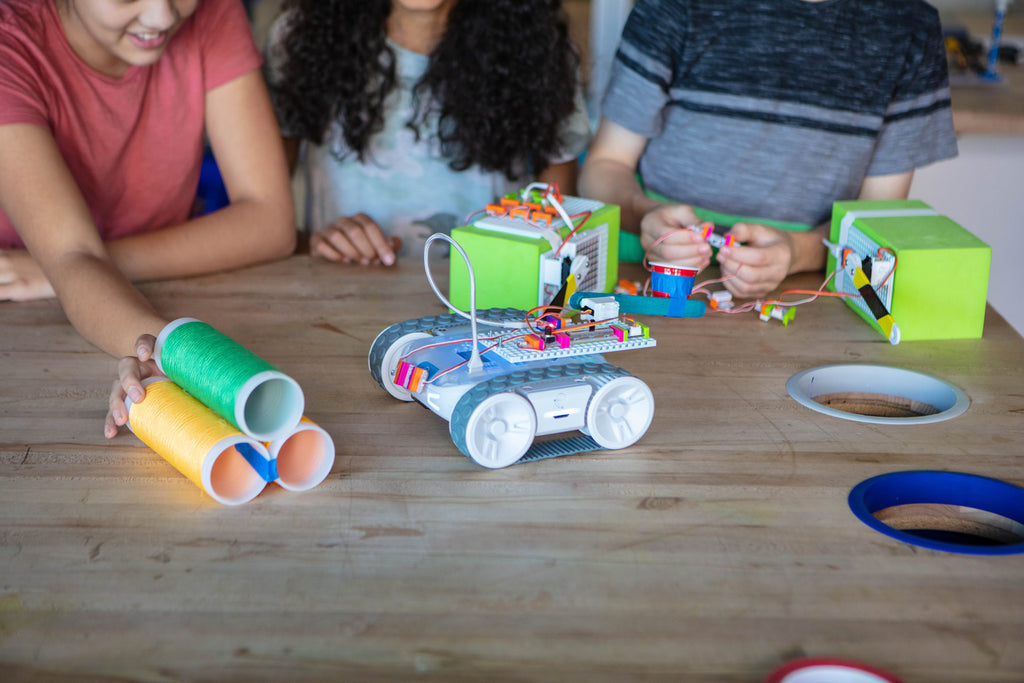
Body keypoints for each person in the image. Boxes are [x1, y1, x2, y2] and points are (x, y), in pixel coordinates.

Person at [0, 0, 296, 436]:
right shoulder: (12, 47)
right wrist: (174, 354)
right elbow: (72, 253)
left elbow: (271, 221)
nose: (163, 16)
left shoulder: (211, 11)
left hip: (94, 295)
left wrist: (55, 272)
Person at [580, 0, 958, 299]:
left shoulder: (910, 28)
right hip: (646, 273)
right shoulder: (676, 6)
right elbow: (604, 166)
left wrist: (798, 252)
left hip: (810, 286)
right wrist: (646, 215)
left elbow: (875, 223)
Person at [265, 0, 592, 266]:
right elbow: (264, 218)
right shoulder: (298, 41)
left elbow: (558, 235)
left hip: (493, 311)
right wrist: (318, 246)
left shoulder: (543, 51)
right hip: (339, 301)